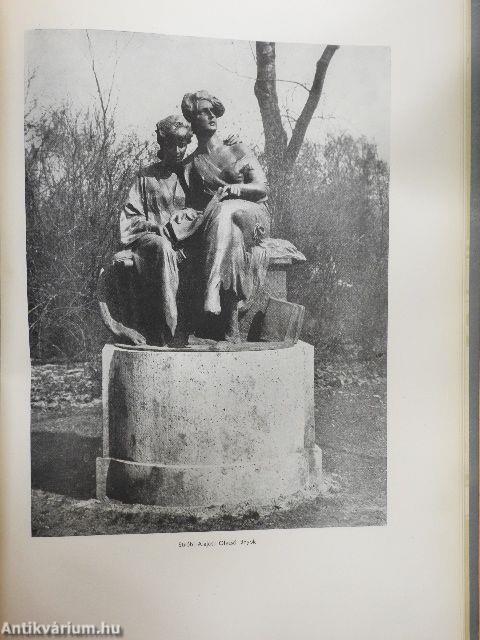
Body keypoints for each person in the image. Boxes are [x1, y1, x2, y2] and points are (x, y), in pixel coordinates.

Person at [180, 90, 271, 342]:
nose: (211, 115)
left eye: (213, 111)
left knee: (226, 210)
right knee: (229, 228)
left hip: (253, 215)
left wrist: (235, 190)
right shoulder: (190, 165)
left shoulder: (237, 148)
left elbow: (262, 189)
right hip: (222, 223)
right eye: (203, 111)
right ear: (192, 119)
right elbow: (191, 205)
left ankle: (212, 288)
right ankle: (231, 326)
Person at [119, 115, 196, 345]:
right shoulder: (145, 176)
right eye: (172, 144)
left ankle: (202, 327)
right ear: (162, 144)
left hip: (185, 240)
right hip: (150, 241)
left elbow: (206, 206)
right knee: (162, 247)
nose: (178, 150)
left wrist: (189, 214)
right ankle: (168, 329)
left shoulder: (191, 175)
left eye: (182, 144)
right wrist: (154, 226)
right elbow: (130, 218)